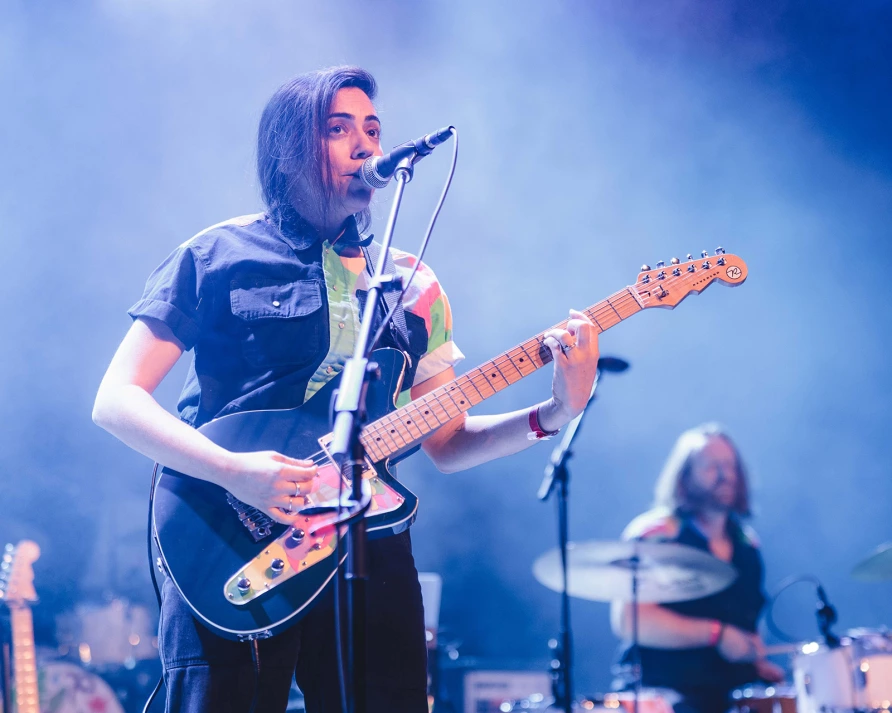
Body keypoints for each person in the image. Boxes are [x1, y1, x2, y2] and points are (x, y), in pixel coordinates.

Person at [92, 66, 600, 713]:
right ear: (288, 150)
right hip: (227, 532)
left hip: (367, 538)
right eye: (339, 129)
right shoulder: (216, 254)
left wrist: (558, 408)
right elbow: (116, 398)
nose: (365, 145)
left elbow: (446, 439)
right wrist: (234, 471)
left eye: (373, 128)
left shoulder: (413, 283)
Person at [610, 424, 785, 713]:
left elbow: (749, 618)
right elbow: (629, 620)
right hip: (667, 691)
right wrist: (716, 634)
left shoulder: (748, 544)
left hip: (730, 689)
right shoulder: (657, 535)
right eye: (711, 466)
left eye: (730, 466)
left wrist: (757, 660)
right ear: (684, 477)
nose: (724, 475)